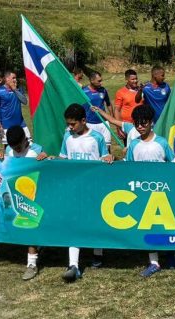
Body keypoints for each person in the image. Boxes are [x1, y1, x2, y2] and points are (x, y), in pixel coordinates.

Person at [58, 103, 113, 281]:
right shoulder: (67, 137)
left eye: (73, 124)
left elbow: (105, 158)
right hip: (75, 189)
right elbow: (63, 159)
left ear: (83, 121)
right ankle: (73, 264)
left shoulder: (97, 138)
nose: (70, 127)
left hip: (94, 189)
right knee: (74, 222)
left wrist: (109, 158)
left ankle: (98, 252)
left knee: (95, 219)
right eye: (68, 124)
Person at [124, 104, 175, 278]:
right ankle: (154, 261)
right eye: (137, 123)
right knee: (147, 226)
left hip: (162, 193)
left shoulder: (161, 142)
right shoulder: (133, 145)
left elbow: (174, 164)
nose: (140, 127)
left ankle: (170, 254)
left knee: (166, 223)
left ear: (151, 123)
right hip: (142, 192)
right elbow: (128, 167)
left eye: (143, 123)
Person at [0, 126, 47, 280]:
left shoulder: (36, 151)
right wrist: (0, 157)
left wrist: (46, 158)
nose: (16, 150)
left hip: (33, 196)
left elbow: (49, 167)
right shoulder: (9, 152)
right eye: (13, 147)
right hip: (14, 195)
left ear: (25, 140)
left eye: (19, 146)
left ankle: (31, 264)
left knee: (30, 225)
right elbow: (2, 167)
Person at [0, 71, 30, 153]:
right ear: (6, 79)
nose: (15, 80)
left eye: (15, 78)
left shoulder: (19, 89)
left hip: (21, 123)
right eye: (13, 78)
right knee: (9, 148)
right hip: (6, 125)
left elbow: (25, 101)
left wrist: (15, 89)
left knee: (28, 144)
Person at [83, 71, 114, 151]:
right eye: (99, 81)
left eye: (101, 80)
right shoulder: (83, 91)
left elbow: (108, 103)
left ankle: (107, 162)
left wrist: (111, 117)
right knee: (92, 147)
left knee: (107, 148)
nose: (101, 83)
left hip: (103, 123)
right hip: (90, 123)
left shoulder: (103, 90)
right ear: (92, 80)